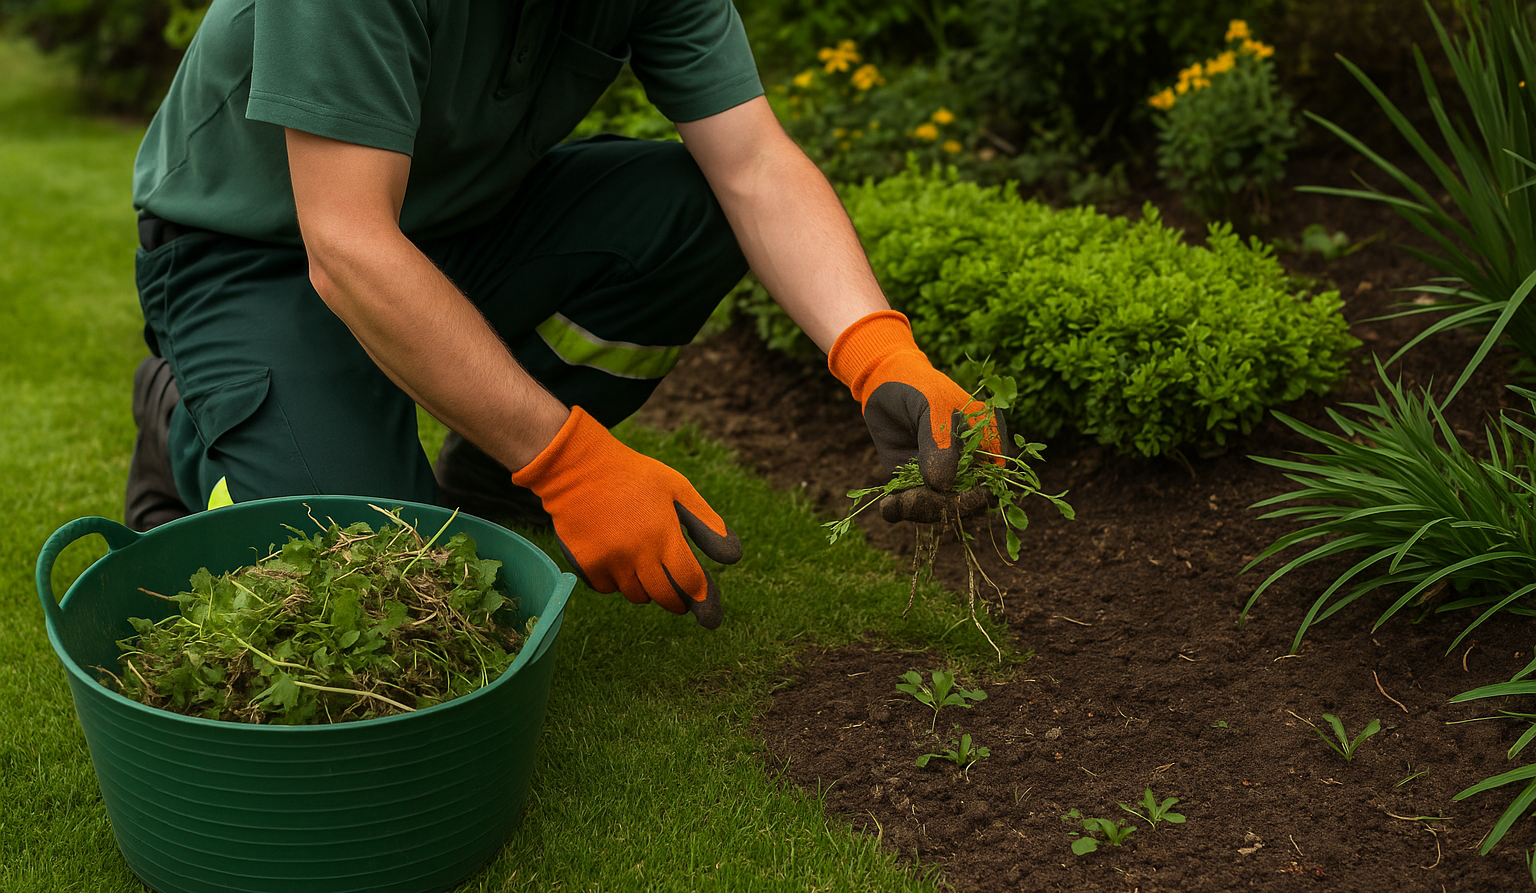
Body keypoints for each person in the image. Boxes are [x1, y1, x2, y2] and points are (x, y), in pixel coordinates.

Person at [127, 0, 1002, 629]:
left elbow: (755, 166)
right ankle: (184, 414)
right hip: (257, 251)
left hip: (453, 225)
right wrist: (573, 464)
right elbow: (349, 245)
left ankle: (489, 472)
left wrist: (879, 351)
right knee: (376, 579)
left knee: (687, 212)